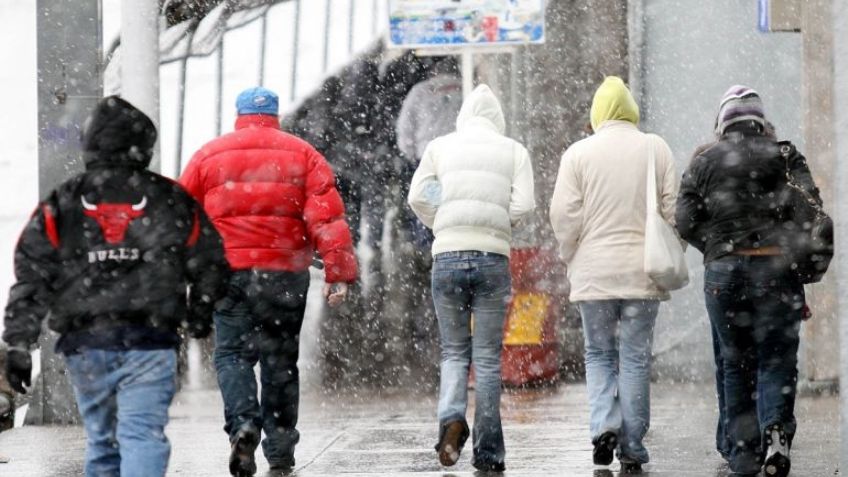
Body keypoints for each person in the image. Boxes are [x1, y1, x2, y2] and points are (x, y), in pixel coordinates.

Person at [2, 96, 228, 477]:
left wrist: (20, 343)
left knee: (103, 441)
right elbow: (210, 260)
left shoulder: (64, 200)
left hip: (86, 342)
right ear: (145, 146)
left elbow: (32, 272)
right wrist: (200, 312)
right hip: (150, 338)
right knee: (142, 435)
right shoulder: (170, 197)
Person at [179, 86, 358, 477]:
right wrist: (338, 271)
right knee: (279, 360)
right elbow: (326, 218)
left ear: (238, 115)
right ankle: (279, 452)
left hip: (227, 272)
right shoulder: (303, 154)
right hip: (284, 272)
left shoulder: (209, 155)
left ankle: (243, 425)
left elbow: (182, 215)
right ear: (275, 115)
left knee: (231, 355)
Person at [676, 86, 819, 477]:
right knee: (776, 358)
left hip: (724, 275)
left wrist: (720, 246)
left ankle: (742, 456)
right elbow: (810, 214)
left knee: (733, 360)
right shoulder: (785, 157)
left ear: (724, 122)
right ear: (761, 120)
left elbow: (685, 219)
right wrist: (793, 254)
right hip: (775, 270)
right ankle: (775, 430)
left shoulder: (704, 162)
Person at [550, 76, 677, 474]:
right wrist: (672, 248)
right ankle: (633, 446)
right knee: (635, 358)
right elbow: (674, 209)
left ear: (597, 113)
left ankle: (604, 425)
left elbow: (563, 216)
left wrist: (571, 252)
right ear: (631, 111)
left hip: (593, 274)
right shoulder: (655, 148)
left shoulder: (578, 154)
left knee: (599, 353)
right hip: (643, 271)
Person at [408, 84, 535, 472]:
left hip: (447, 256)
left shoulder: (440, 148)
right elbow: (525, 204)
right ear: (497, 120)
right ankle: (489, 452)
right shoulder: (513, 150)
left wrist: (441, 226)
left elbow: (419, 197)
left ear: (464, 116)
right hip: (492, 259)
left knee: (453, 352)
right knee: (488, 360)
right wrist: (500, 225)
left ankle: (450, 418)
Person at [395, 56, 464, 372]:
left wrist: (413, 157)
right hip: (460, 163)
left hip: (430, 164)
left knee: (431, 208)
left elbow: (404, 135)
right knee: (457, 208)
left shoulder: (419, 92)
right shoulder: (469, 91)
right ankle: (453, 242)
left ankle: (431, 249)